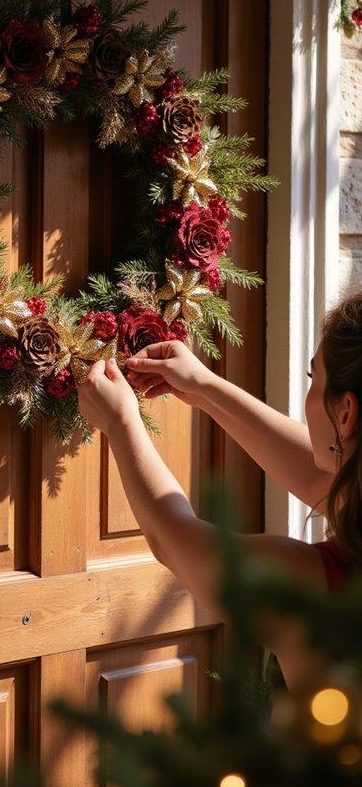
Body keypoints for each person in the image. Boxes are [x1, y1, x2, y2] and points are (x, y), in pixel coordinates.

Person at [78, 293, 362, 692]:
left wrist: (121, 421)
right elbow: (321, 478)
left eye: (315, 380)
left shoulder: (313, 586)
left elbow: (172, 537)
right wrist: (207, 389)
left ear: (346, 413)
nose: (309, 396)